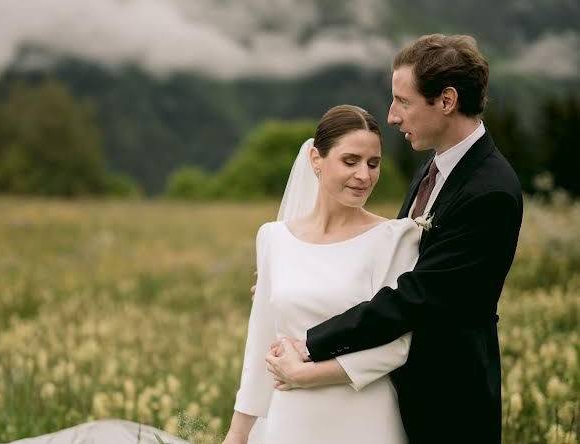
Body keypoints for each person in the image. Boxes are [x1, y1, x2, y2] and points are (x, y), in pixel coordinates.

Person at [266, 34, 523, 444]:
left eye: (403, 102)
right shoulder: (435, 168)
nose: (392, 116)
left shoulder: (489, 191)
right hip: (394, 397)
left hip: (449, 406)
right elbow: (393, 261)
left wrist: (311, 342)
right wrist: (294, 280)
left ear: (446, 101)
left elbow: (417, 297)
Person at [222, 104, 423, 444]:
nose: (364, 175)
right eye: (350, 161)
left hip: (365, 421)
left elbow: (395, 347)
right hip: (291, 422)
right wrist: (237, 435)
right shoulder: (273, 238)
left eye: (373, 164)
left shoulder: (395, 238)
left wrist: (307, 375)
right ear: (316, 158)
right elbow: (260, 346)